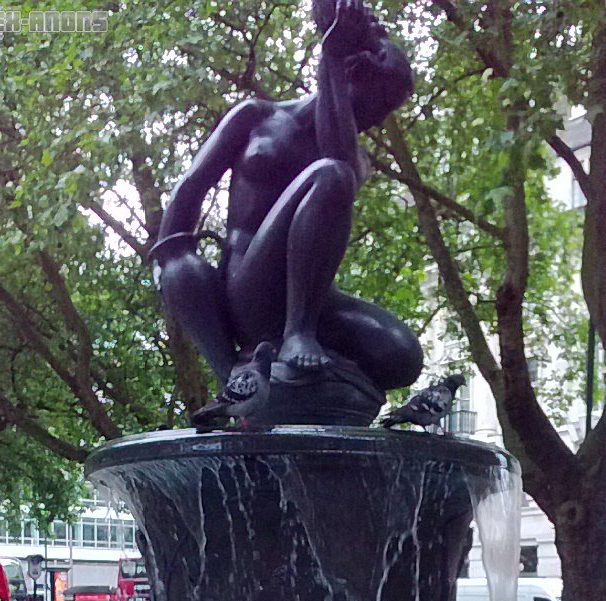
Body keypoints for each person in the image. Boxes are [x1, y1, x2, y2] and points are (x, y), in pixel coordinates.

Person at [150, 0, 423, 392]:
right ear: (351, 75)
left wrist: (331, 57)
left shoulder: (356, 158)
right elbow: (188, 193)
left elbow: (336, 156)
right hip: (247, 289)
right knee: (330, 176)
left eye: (386, 110)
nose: (377, 118)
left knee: (402, 355)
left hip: (311, 297)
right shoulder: (257, 117)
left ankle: (305, 343)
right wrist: (176, 267)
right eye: (378, 101)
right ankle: (294, 336)